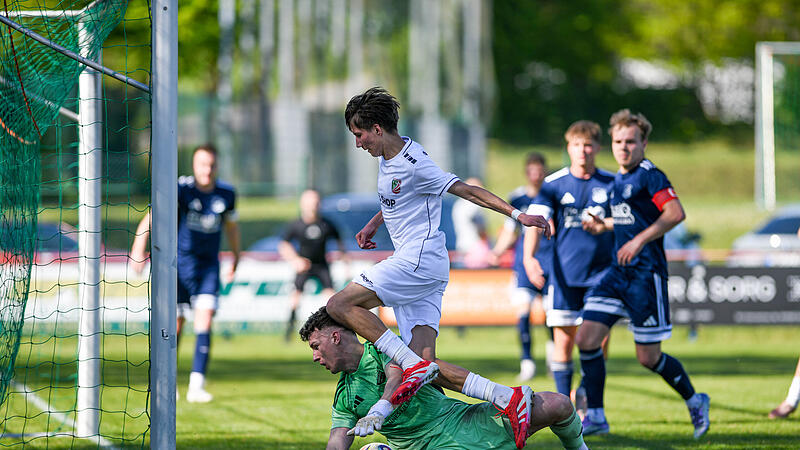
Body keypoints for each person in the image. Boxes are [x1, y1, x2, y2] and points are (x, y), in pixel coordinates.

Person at [325, 87, 551, 449]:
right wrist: (373, 224)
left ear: (378, 128)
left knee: (339, 305)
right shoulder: (390, 156)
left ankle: (406, 367)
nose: (357, 143)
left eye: (359, 134)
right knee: (424, 365)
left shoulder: (416, 163)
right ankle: (509, 399)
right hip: (427, 267)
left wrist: (517, 214)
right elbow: (399, 198)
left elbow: (468, 191)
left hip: (417, 260)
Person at [577, 109, 710, 437]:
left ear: (644, 143)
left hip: (645, 277)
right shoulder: (619, 180)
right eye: (618, 141)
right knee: (586, 338)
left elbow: (675, 213)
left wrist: (638, 241)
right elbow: (628, 219)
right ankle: (595, 415)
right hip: (617, 274)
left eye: (631, 142)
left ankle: (695, 400)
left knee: (648, 358)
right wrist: (602, 225)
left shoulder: (651, 174)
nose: (624, 147)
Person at [300, 306, 588, 450]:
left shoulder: (386, 350)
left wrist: (381, 407)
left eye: (316, 346)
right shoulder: (345, 396)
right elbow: (337, 439)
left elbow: (396, 374)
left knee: (558, 404)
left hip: (463, 423)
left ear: (335, 337)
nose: (315, 356)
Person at [131, 144, 240, 403]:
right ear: (194, 165)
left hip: (208, 267)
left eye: (212, 164)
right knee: (176, 323)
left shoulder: (226, 193)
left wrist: (236, 257)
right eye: (203, 164)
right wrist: (138, 248)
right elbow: (152, 215)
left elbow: (232, 228)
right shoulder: (181, 189)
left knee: (205, 319)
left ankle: (196, 386)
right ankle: (167, 382)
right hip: (178, 266)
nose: (208, 169)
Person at [522, 121, 615, 415]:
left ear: (598, 148)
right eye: (577, 145)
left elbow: (627, 224)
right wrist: (529, 258)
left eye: (588, 145)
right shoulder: (554, 184)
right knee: (563, 342)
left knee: (599, 339)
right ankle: (564, 410)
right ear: (569, 148)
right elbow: (535, 223)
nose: (583, 151)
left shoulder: (612, 183)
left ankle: (589, 395)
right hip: (565, 277)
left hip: (602, 276)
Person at [490, 152, 554, 381]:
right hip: (524, 263)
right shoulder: (517, 199)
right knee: (523, 313)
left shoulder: (552, 195)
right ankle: (527, 363)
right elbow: (510, 231)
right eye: (532, 170)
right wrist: (497, 251)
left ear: (544, 171)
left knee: (551, 316)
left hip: (551, 263)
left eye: (539, 170)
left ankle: (553, 359)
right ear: (527, 172)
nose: (536, 175)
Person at [279, 189, 346, 341]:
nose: (313, 205)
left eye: (315, 202)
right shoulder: (296, 225)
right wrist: (295, 260)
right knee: (295, 297)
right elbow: (283, 245)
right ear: (303, 204)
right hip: (304, 265)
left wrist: (344, 259)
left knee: (331, 298)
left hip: (321, 265)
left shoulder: (326, 224)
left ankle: (334, 329)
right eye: (309, 202)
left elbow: (340, 242)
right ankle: (289, 331)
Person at [451, 176, 492, 269]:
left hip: (462, 246)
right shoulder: (474, 206)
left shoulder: (458, 204)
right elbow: (481, 228)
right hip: (476, 248)